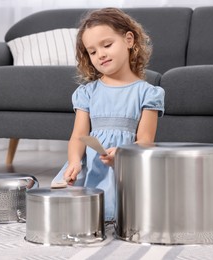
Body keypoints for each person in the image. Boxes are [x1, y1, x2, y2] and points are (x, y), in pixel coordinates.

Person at [51, 7, 165, 221]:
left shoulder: (149, 93)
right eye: (92, 51)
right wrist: (74, 161)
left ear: (129, 40)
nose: (100, 54)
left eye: (107, 45)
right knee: (65, 210)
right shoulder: (87, 92)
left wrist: (123, 154)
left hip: (127, 165)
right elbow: (78, 135)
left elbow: (146, 140)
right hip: (92, 163)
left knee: (131, 213)